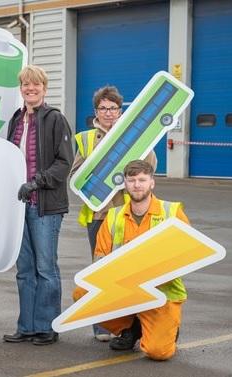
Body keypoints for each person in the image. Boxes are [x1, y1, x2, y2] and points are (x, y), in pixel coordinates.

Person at [74, 159, 189, 361]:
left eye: (142, 180)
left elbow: (186, 255)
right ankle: (131, 327)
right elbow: (100, 261)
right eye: (132, 180)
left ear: (152, 182)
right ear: (125, 184)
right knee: (83, 293)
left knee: (159, 352)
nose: (137, 185)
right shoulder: (113, 216)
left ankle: (166, 326)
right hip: (125, 290)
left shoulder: (171, 212)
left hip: (161, 293)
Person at [70, 86, 156, 341]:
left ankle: (130, 326)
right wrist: (95, 177)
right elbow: (75, 176)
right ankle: (103, 326)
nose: (108, 113)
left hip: (129, 213)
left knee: (130, 270)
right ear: (96, 111)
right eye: (103, 108)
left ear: (121, 110)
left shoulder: (134, 135)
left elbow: (149, 167)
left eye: (113, 108)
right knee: (100, 270)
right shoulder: (86, 139)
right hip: (99, 215)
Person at [3, 65, 73, 346]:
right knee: (24, 270)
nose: (30, 89)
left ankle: (47, 326)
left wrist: (36, 182)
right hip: (19, 207)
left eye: (36, 85)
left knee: (46, 268)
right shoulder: (16, 120)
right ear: (21, 89)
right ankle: (27, 326)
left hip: (44, 205)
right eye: (25, 85)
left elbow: (64, 163)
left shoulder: (56, 119)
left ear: (44, 88)